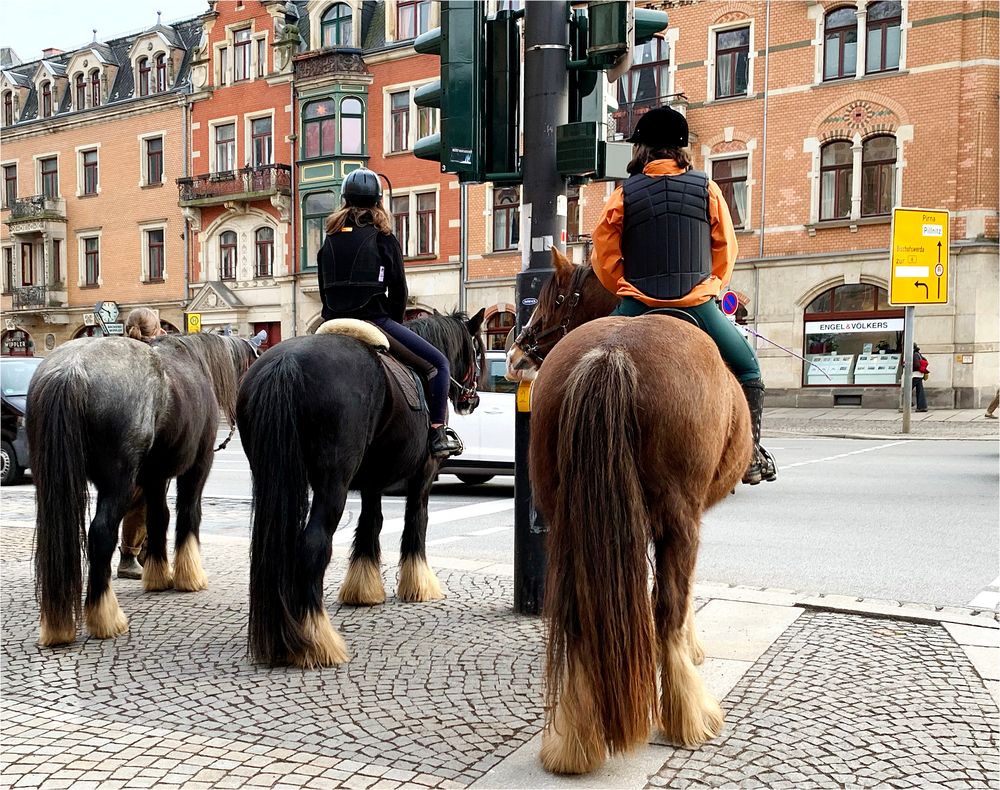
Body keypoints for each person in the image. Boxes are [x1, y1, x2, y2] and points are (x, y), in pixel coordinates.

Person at [591, 106, 776, 485]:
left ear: (641, 149)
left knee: (591, 365)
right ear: (681, 150)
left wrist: (625, 287)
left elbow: (603, 256)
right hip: (698, 305)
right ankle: (751, 454)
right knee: (748, 369)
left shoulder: (622, 194)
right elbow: (726, 248)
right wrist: (711, 286)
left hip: (637, 304)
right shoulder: (707, 188)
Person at [316, 167, 462, 458]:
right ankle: (437, 432)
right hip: (373, 321)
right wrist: (393, 322)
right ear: (378, 202)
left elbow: (322, 289)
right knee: (439, 365)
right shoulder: (383, 238)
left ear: (344, 200)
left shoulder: (329, 239)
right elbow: (399, 291)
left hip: (331, 323)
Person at [116, 308, 167, 578]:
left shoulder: (120, 353)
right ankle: (128, 555)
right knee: (140, 498)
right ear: (156, 330)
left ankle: (143, 550)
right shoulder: (151, 359)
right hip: (141, 445)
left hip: (119, 444)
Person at [911, 344, 929, 412]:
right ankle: (922, 407)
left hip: (915, 375)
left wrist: (910, 366)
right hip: (920, 375)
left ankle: (908, 403)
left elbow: (917, 365)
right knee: (920, 391)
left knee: (907, 390)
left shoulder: (914, 354)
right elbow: (925, 360)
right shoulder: (919, 354)